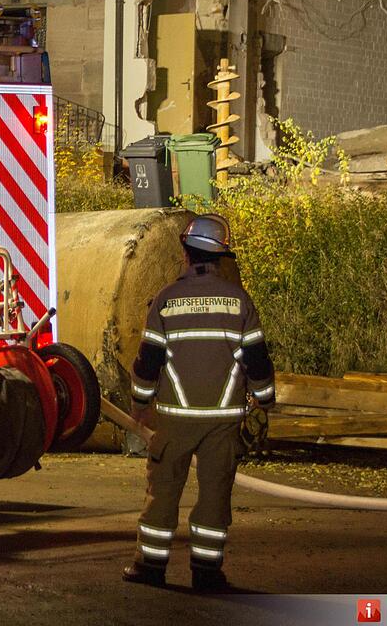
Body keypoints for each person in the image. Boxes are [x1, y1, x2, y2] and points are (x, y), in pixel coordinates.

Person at [122, 214, 275, 591]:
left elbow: (148, 361)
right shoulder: (240, 302)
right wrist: (264, 400)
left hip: (174, 419)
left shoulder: (165, 300)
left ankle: (151, 566)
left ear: (185, 254)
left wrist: (139, 403)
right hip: (223, 421)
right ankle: (207, 573)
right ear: (222, 258)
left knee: (163, 491)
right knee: (215, 495)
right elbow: (257, 359)